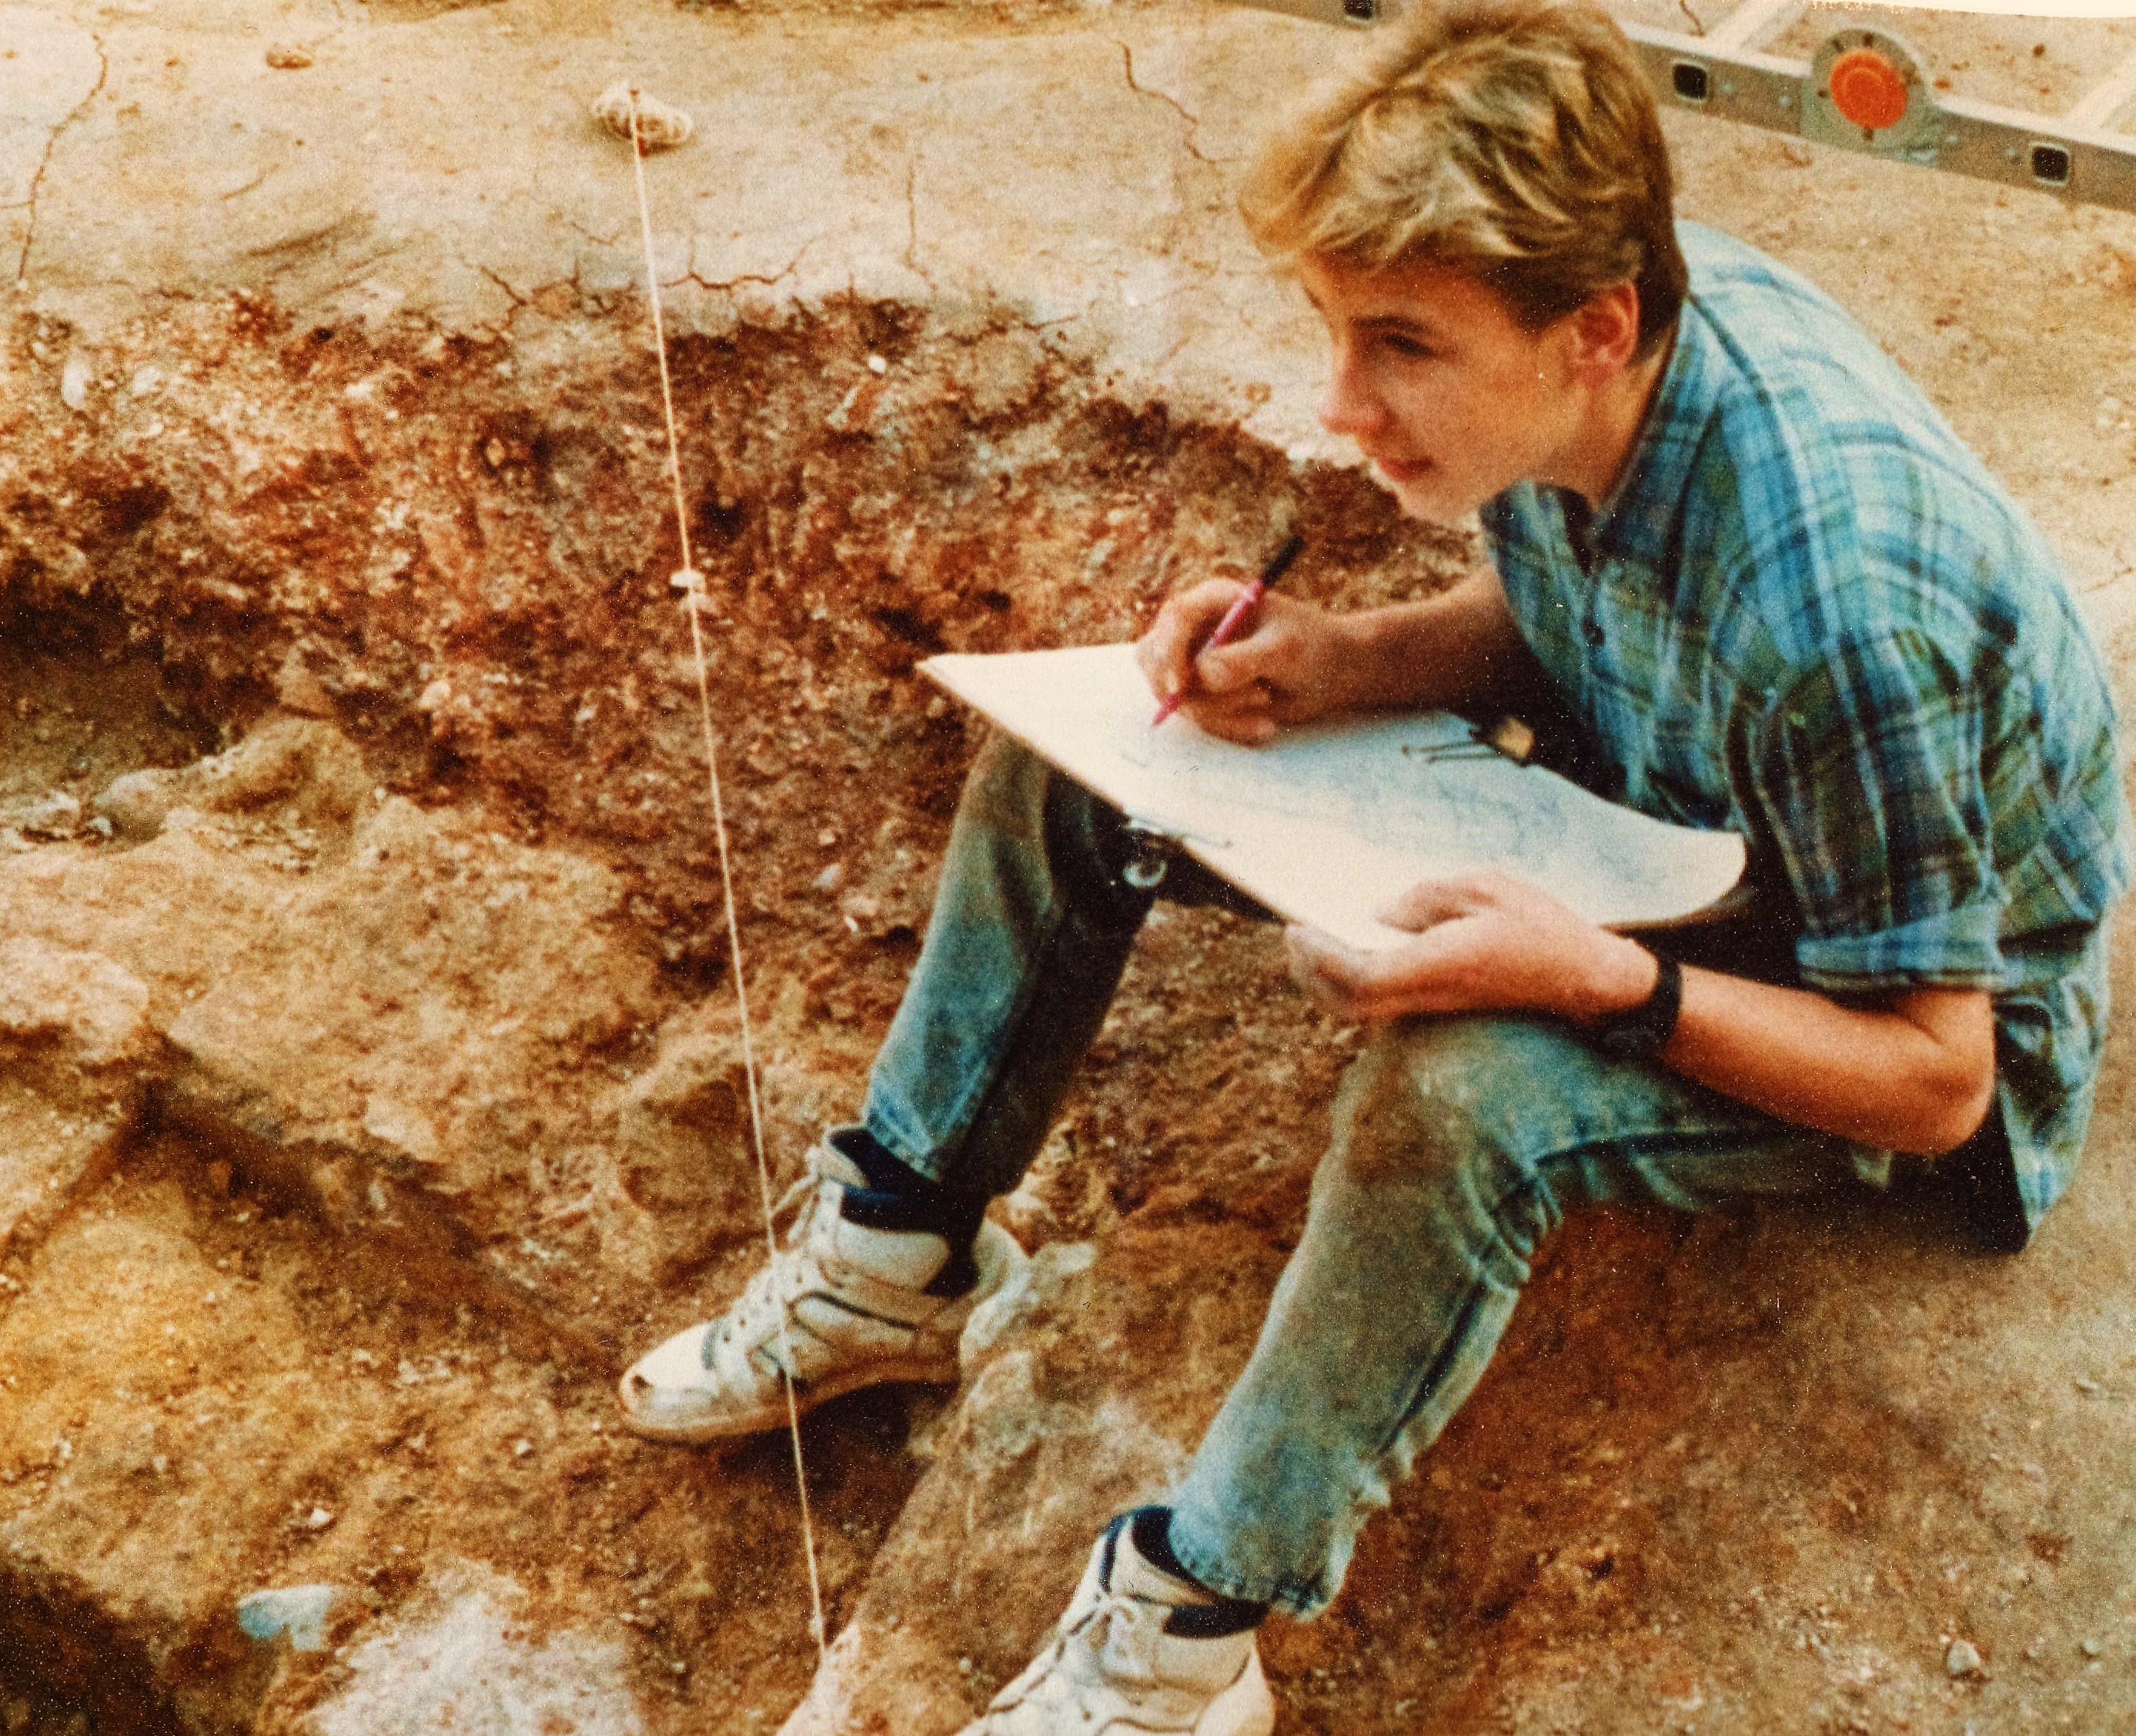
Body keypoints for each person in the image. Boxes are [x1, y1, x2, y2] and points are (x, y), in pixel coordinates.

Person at [617, 0, 2130, 1728]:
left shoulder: (1835, 613)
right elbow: (1587, 608)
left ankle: (1188, 1635)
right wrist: (1337, 661)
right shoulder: (1596, 353)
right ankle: (898, 1248)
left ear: (1593, 327)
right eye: (1336, 336)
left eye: (1396, 347)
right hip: (1690, 804)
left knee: (1462, 1094)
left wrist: (1595, 983)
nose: (1342, 408)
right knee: (1095, 766)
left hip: (1874, 993)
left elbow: (1937, 1080)